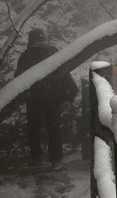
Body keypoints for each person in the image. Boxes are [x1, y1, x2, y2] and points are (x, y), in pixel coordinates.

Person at [17, 27, 76, 166]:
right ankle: (56, 159)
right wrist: (69, 92)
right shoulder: (53, 52)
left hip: (34, 98)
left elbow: (19, 77)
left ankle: (36, 158)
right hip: (53, 97)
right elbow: (64, 72)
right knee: (54, 128)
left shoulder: (26, 55)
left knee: (33, 128)